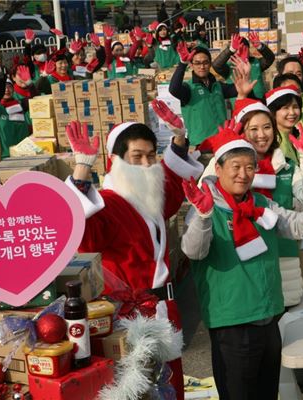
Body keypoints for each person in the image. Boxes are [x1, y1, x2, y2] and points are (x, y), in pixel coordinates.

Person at [180, 124, 303, 399]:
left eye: (250, 167)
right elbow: (194, 251)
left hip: (268, 315)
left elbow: (295, 227)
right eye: (235, 167)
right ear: (219, 168)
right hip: (233, 322)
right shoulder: (205, 206)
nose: (243, 174)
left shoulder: (260, 204)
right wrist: (203, 217)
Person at [64, 100, 204, 400]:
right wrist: (82, 168)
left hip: (166, 312)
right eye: (136, 157)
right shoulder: (108, 203)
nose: (146, 165)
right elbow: (82, 237)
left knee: (171, 387)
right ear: (117, 160)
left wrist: (179, 135)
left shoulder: (151, 199)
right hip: (130, 319)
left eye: (151, 156)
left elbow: (172, 183)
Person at [199, 99, 303, 307]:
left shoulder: (286, 166)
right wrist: (222, 152)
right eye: (253, 129)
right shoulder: (231, 172)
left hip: (282, 258)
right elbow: (206, 192)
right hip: (237, 264)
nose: (261, 135)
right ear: (242, 132)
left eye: (267, 127)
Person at [169, 44, 254, 149]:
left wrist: (245, 75)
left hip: (222, 142)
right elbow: (173, 89)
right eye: (197, 63)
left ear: (210, 64)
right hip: (202, 145)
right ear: (191, 65)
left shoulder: (217, 86)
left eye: (205, 62)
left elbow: (241, 91)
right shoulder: (188, 88)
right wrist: (182, 64)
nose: (202, 66)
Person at [212, 33, 276, 101]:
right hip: (239, 105)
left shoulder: (256, 62)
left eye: (243, 49)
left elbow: (270, 58)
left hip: (259, 103)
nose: (240, 52)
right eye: (237, 50)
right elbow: (216, 65)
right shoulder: (229, 67)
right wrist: (230, 50)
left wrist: (260, 47)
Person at [0, 79, 31, 158]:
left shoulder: (21, 104)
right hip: (5, 155)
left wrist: (30, 84)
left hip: (24, 152)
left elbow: (35, 98)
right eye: (4, 87)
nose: (7, 90)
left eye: (9, 87)